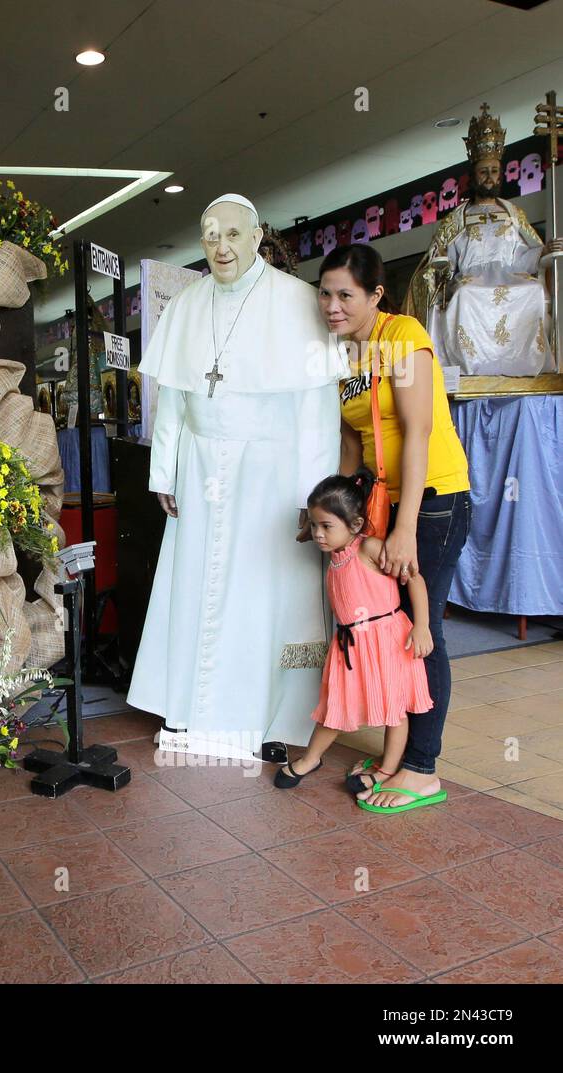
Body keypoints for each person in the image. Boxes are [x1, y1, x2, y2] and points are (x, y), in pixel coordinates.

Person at [127, 193, 345, 763]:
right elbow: (171, 397)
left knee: (266, 593)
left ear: (255, 237)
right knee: (198, 589)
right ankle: (192, 712)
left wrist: (313, 494)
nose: (220, 245)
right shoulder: (187, 303)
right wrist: (164, 469)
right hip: (200, 470)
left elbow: (316, 412)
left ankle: (271, 718)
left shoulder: (297, 303)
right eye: (209, 235)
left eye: (231, 234)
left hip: (271, 475)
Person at [318, 243, 471, 809]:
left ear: (375, 295)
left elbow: (419, 430)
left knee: (420, 631)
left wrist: (404, 528)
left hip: (432, 501)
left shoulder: (403, 336)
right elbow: (354, 442)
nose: (332, 306)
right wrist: (335, 513)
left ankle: (423, 768)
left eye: (345, 295)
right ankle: (398, 755)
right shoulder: (346, 357)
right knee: (393, 627)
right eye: (325, 293)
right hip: (387, 506)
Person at [275, 473, 438, 812]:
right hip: (351, 643)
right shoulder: (337, 547)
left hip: (387, 641)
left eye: (326, 526)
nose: (318, 533)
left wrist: (421, 626)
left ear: (356, 523)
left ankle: (388, 770)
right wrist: (315, 528)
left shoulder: (369, 548)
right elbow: (315, 531)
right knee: (336, 706)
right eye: (314, 524)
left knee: (396, 710)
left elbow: (415, 579)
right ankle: (312, 758)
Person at [403, 104, 561, 376]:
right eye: (484, 172)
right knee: (465, 295)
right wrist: (440, 259)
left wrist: (543, 251)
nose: (490, 177)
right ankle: (471, 369)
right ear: (473, 175)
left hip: (510, 275)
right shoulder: (458, 217)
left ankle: (526, 367)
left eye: (495, 171)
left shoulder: (513, 213)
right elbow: (444, 259)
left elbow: (523, 256)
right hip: (470, 278)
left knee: (533, 291)